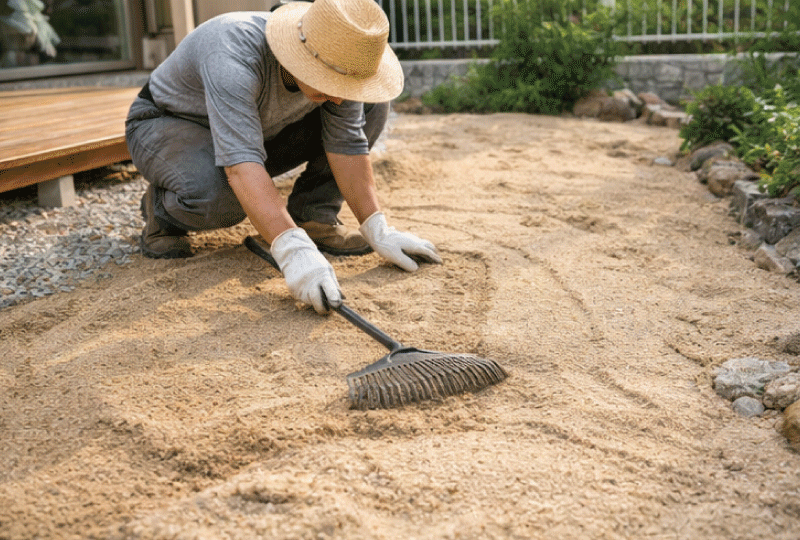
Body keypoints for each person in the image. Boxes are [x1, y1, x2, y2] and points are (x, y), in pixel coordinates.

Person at [125, 0, 442, 314]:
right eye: (329, 81)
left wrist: (377, 227)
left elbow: (346, 145)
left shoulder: (341, 53)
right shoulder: (233, 50)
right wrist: (292, 249)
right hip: (169, 124)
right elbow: (241, 166)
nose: (336, 97)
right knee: (222, 198)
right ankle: (162, 213)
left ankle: (313, 215)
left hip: (258, 128)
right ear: (300, 53)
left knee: (372, 106)